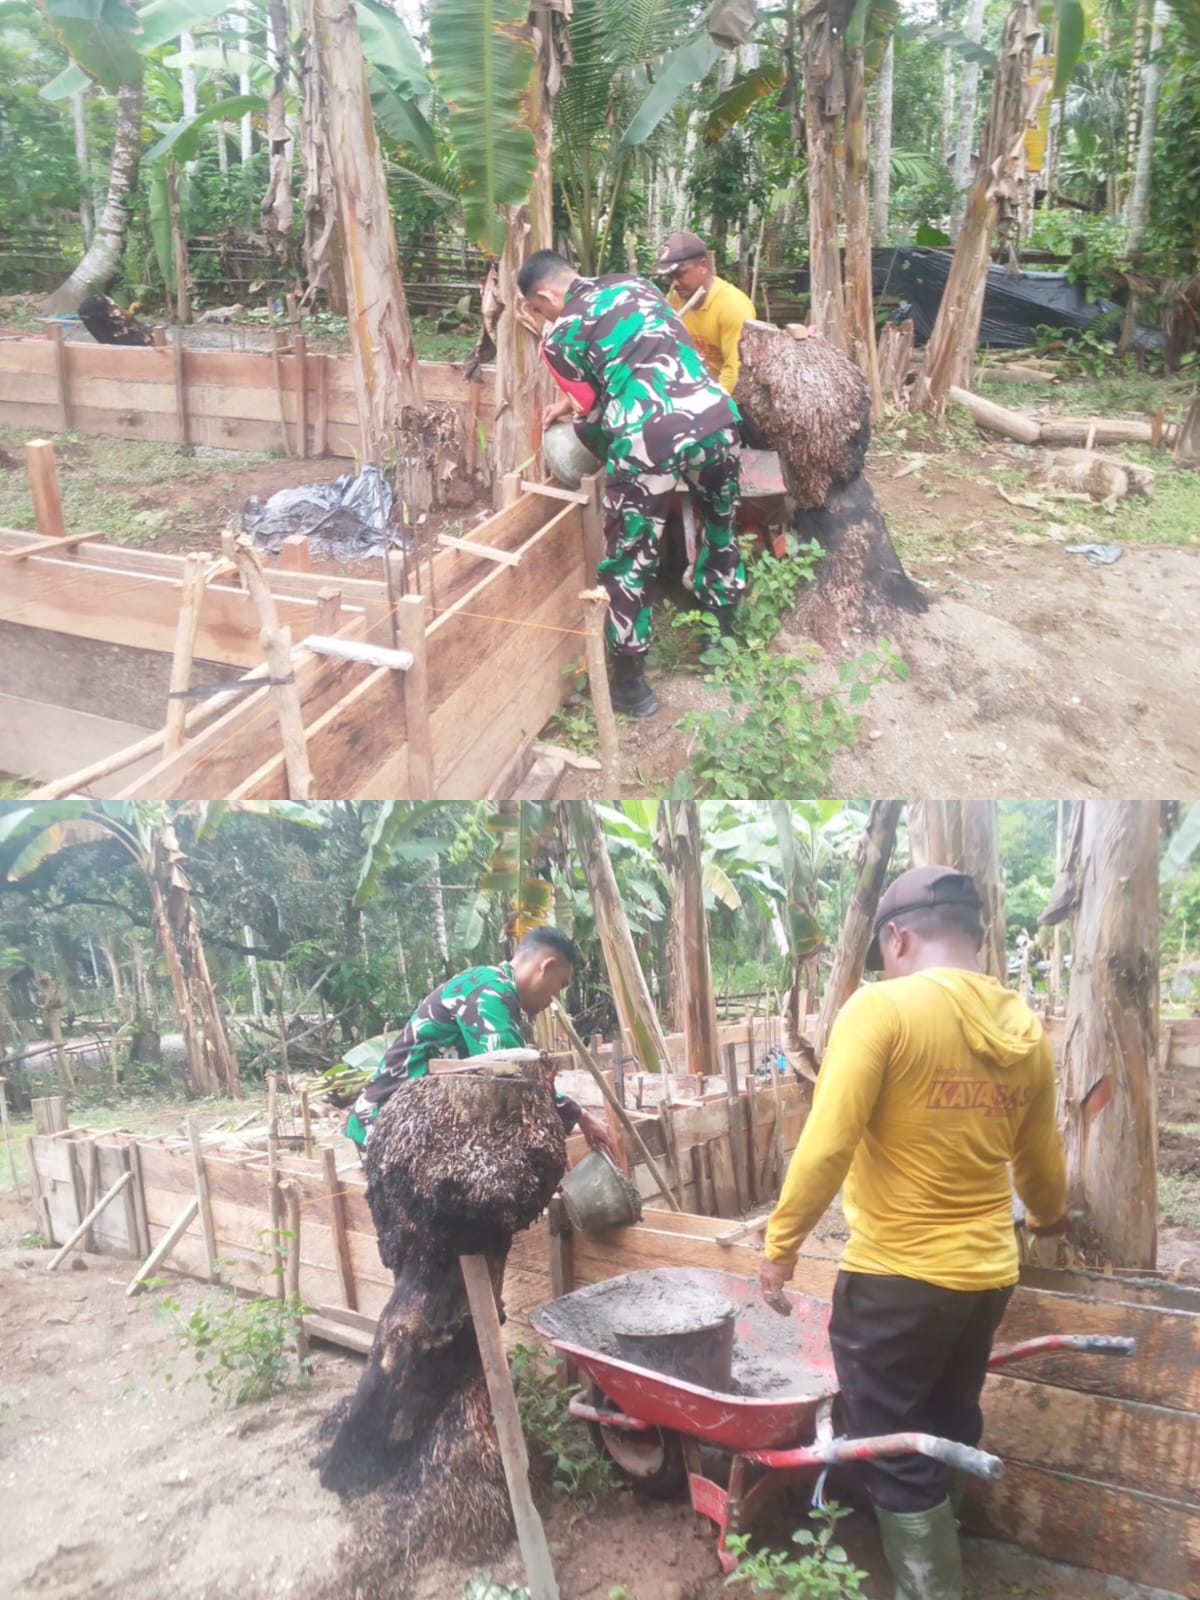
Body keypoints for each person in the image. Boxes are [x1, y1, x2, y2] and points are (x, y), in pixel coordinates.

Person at [760, 866, 1068, 1600]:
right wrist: (1051, 1220)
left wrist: (780, 1248)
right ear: (976, 936)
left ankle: (931, 1588)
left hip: (896, 1278)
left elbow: (827, 1147)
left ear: (896, 938)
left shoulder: (881, 1011)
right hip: (988, 1275)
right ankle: (934, 1544)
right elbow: (1041, 1161)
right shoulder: (1024, 1027)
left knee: (895, 1439)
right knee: (949, 1416)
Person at [518, 249, 745, 720]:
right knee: (721, 525)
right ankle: (719, 637)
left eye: (540, 309)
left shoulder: (559, 336)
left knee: (628, 558)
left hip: (650, 439)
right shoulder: (635, 283)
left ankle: (630, 685)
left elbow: (594, 408)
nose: (544, 317)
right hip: (715, 421)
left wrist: (579, 429)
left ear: (544, 295)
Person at [345, 926, 612, 1158]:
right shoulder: (490, 994)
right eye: (561, 984)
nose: (555, 997)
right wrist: (581, 1117)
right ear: (547, 966)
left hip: (413, 1120)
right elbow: (515, 1079)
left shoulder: (488, 982)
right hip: (388, 1121)